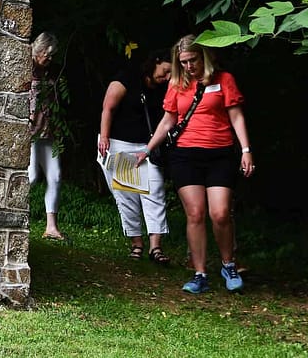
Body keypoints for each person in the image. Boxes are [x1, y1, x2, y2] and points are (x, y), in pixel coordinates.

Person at [138, 34, 254, 294]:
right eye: (184, 62)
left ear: (204, 56)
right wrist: (148, 149)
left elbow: (236, 118)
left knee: (221, 213)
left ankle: (228, 264)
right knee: (195, 213)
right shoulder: (177, 84)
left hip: (220, 153)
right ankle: (200, 273)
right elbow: (168, 121)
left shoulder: (224, 80)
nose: (189, 66)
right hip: (186, 155)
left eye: (193, 60)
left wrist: (246, 150)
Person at [97, 49, 172, 264]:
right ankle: (136, 243)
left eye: (170, 74)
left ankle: (155, 247)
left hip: (149, 146)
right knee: (127, 195)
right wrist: (104, 136)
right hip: (122, 143)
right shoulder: (128, 77)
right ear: (156, 61)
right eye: (165, 71)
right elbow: (108, 107)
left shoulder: (163, 88)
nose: (166, 77)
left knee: (154, 192)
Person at [29, 31, 65, 240]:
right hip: (30, 133)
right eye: (48, 55)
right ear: (39, 50)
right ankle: (14, 212)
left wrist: (58, 129)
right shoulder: (25, 67)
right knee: (31, 177)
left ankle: (51, 227)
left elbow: (55, 102)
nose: (50, 59)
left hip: (48, 130)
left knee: (56, 176)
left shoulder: (50, 72)